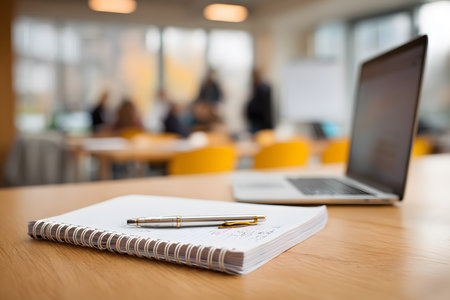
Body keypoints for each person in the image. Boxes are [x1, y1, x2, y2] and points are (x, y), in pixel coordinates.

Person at [245, 69, 274, 134]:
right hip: (255, 121)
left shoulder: (263, 88)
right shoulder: (256, 88)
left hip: (260, 122)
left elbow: (261, 107)